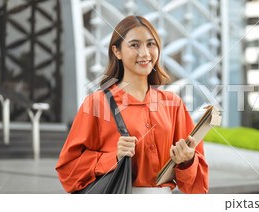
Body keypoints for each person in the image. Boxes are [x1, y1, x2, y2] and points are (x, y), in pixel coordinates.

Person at [55, 16, 208, 194]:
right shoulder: (97, 103)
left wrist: (188, 160)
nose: (145, 53)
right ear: (117, 52)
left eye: (151, 44)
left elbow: (198, 187)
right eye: (134, 45)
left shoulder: (173, 104)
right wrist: (114, 157)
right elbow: (68, 170)